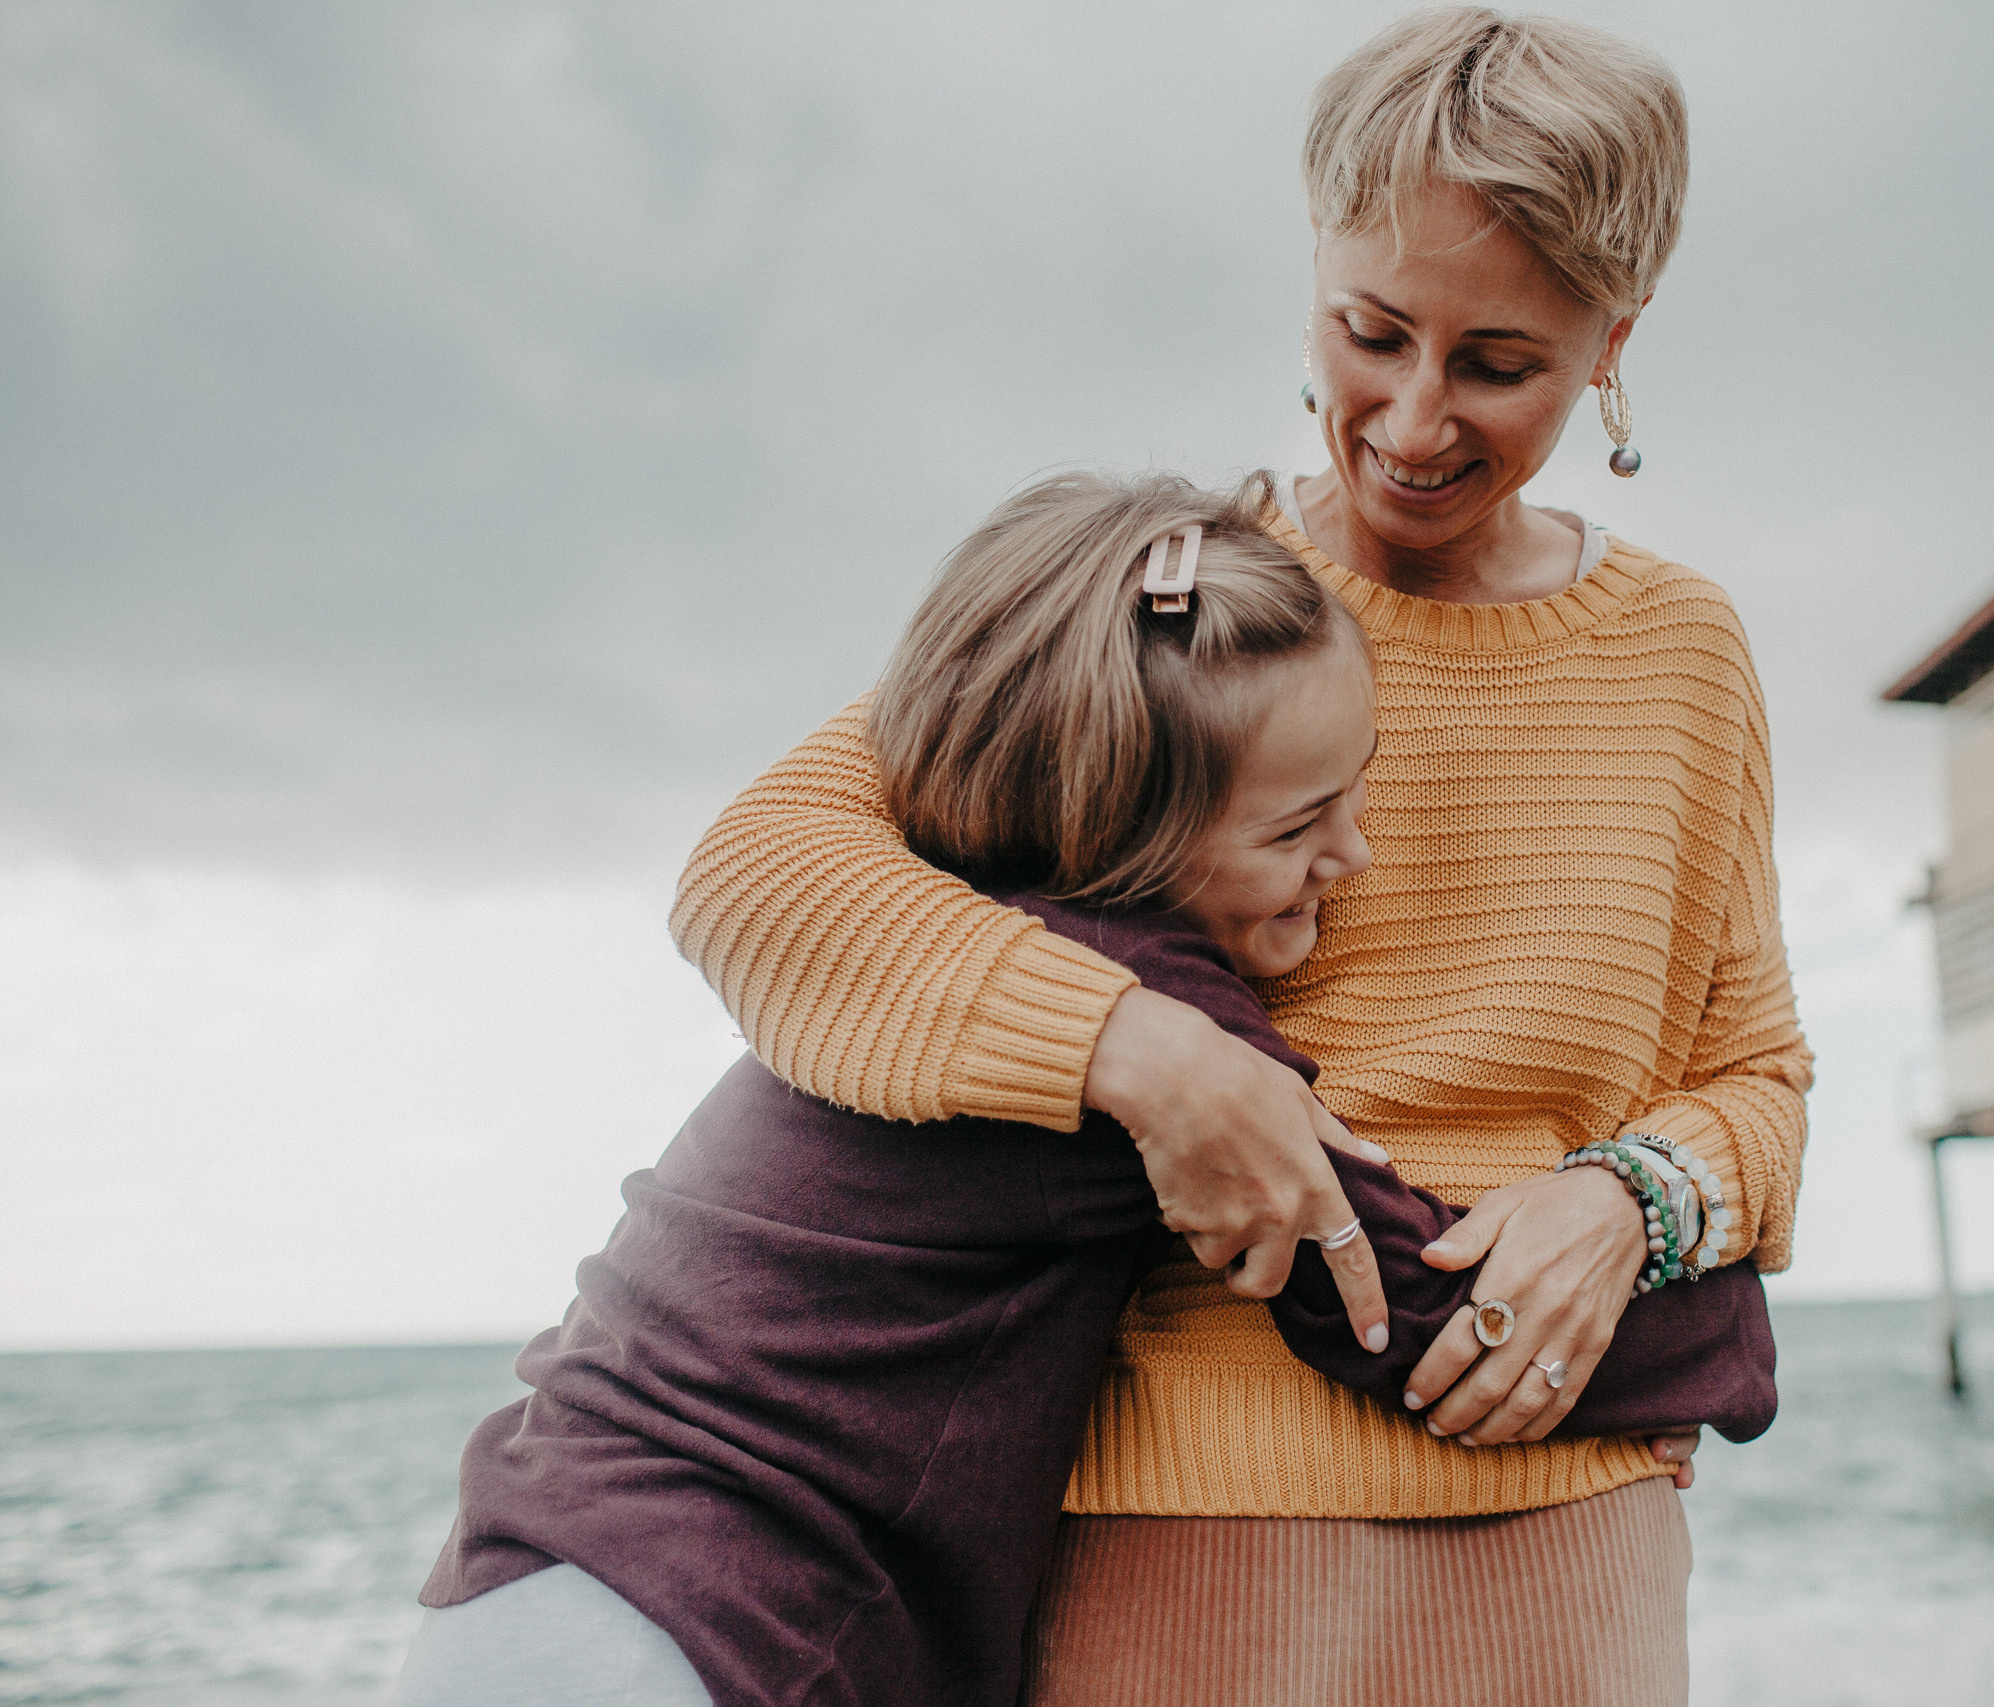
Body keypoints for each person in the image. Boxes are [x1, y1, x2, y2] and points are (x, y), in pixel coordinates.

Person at [668, 9, 1813, 1704]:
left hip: (1573, 1513)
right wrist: (1143, 1061)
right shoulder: (1174, 606)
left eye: (1500, 364)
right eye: (1372, 333)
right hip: (1170, 1507)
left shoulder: (1683, 654)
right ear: (1315, 281)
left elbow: (1760, 1084)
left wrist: (1626, 1204)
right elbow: (758, 871)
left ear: (1613, 342)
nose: (1416, 419)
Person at [396, 470, 1778, 1707]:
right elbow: (1394, 1303)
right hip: (693, 1629)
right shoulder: (1139, 1003)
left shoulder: (962, 914)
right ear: (1133, 829)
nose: (1354, 855)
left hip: (546, 1579)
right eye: (1299, 825)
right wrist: (1715, 1347)